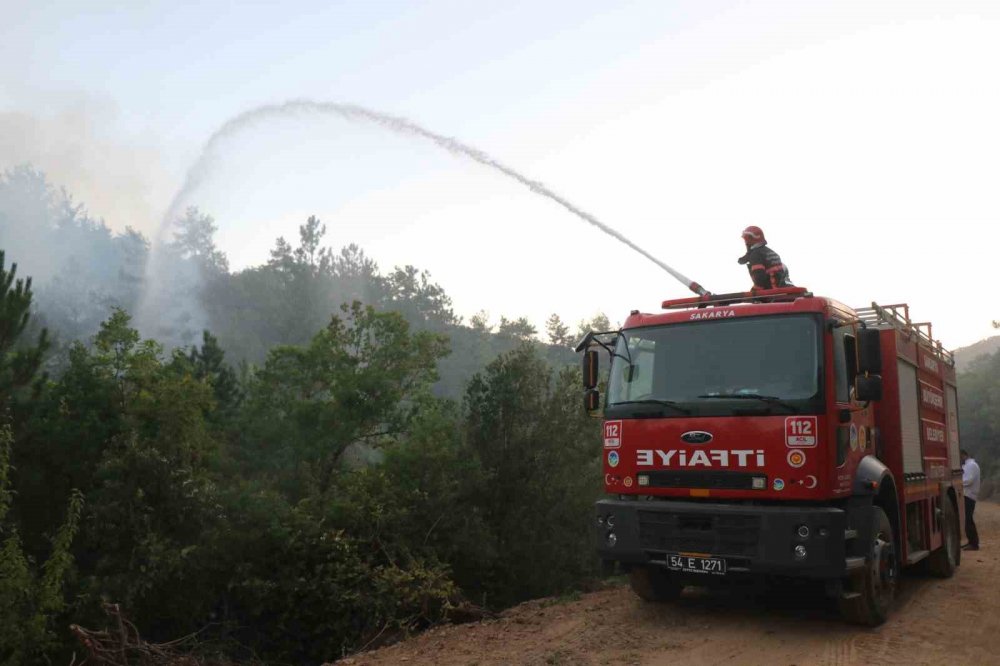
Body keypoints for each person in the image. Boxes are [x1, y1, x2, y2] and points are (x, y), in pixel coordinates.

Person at [961, 449, 981, 551]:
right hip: (968, 495)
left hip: (969, 495)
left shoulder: (971, 465)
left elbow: (968, 480)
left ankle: (974, 543)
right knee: (967, 519)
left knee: (968, 519)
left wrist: (957, 483)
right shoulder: (968, 465)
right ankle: (971, 542)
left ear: (964, 455)